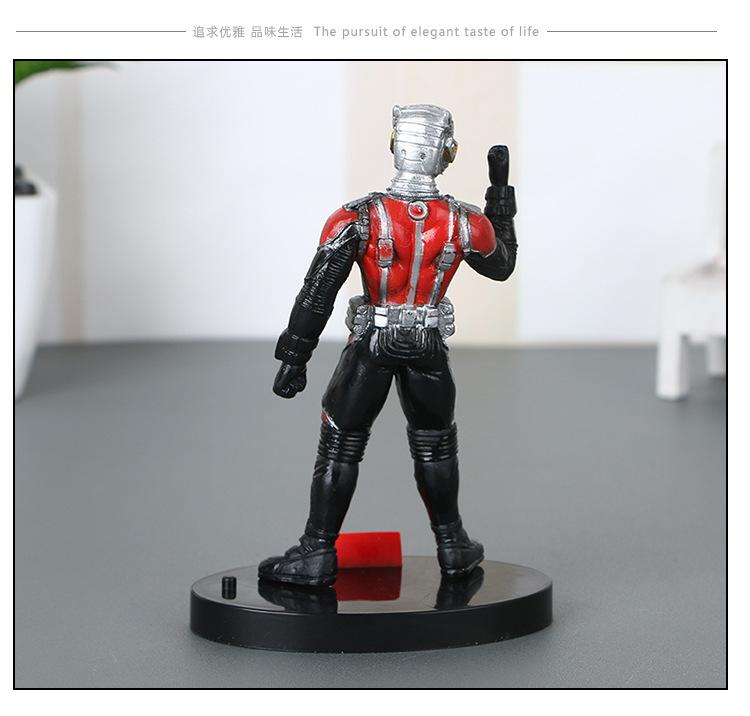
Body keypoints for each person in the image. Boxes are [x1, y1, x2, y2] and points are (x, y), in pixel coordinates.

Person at [259, 104, 518, 587]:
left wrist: (294, 356)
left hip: (372, 343)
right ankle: (453, 545)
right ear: (446, 154)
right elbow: (502, 266)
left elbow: (317, 294)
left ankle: (317, 550)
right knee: (435, 446)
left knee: (341, 444)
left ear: (396, 146)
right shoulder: (465, 222)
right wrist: (499, 197)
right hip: (428, 345)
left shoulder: (355, 218)